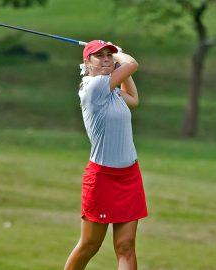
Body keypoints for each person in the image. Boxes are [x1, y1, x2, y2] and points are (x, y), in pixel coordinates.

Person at [64, 40, 148, 270]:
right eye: (99, 56)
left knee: (126, 247)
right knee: (90, 245)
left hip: (129, 176)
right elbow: (132, 64)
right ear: (87, 63)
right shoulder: (94, 87)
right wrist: (120, 54)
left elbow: (132, 98)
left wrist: (117, 68)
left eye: (108, 55)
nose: (106, 59)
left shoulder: (111, 91)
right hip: (102, 178)